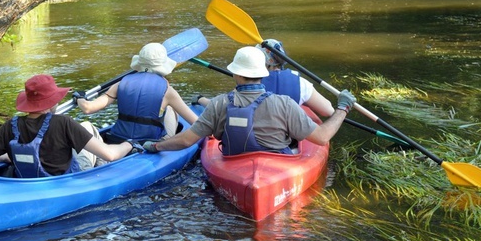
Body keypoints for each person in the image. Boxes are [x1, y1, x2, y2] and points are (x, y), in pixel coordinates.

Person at [142, 46, 356, 155]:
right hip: (277, 166)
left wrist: (157, 146)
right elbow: (322, 137)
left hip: (234, 163)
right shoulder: (285, 103)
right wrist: (343, 108)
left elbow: (186, 140)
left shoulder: (219, 104)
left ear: (235, 74)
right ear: (263, 73)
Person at [0, 74, 133, 177]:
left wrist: (6, 156)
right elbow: (110, 154)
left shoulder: (9, 126)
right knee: (88, 127)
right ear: (50, 103)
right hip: (64, 181)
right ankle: (101, 177)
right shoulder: (63, 123)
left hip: (28, 182)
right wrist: (128, 144)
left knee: (84, 127)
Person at [75, 43, 199, 143]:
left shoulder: (120, 84)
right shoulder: (168, 91)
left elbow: (88, 109)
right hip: (149, 143)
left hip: (117, 139)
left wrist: (79, 97)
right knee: (171, 108)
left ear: (139, 62)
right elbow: (198, 124)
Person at [193, 39, 334, 118]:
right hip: (288, 144)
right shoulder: (301, 83)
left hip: (253, 140)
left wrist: (200, 99)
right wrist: (304, 101)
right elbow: (328, 111)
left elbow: (220, 106)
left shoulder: (248, 82)